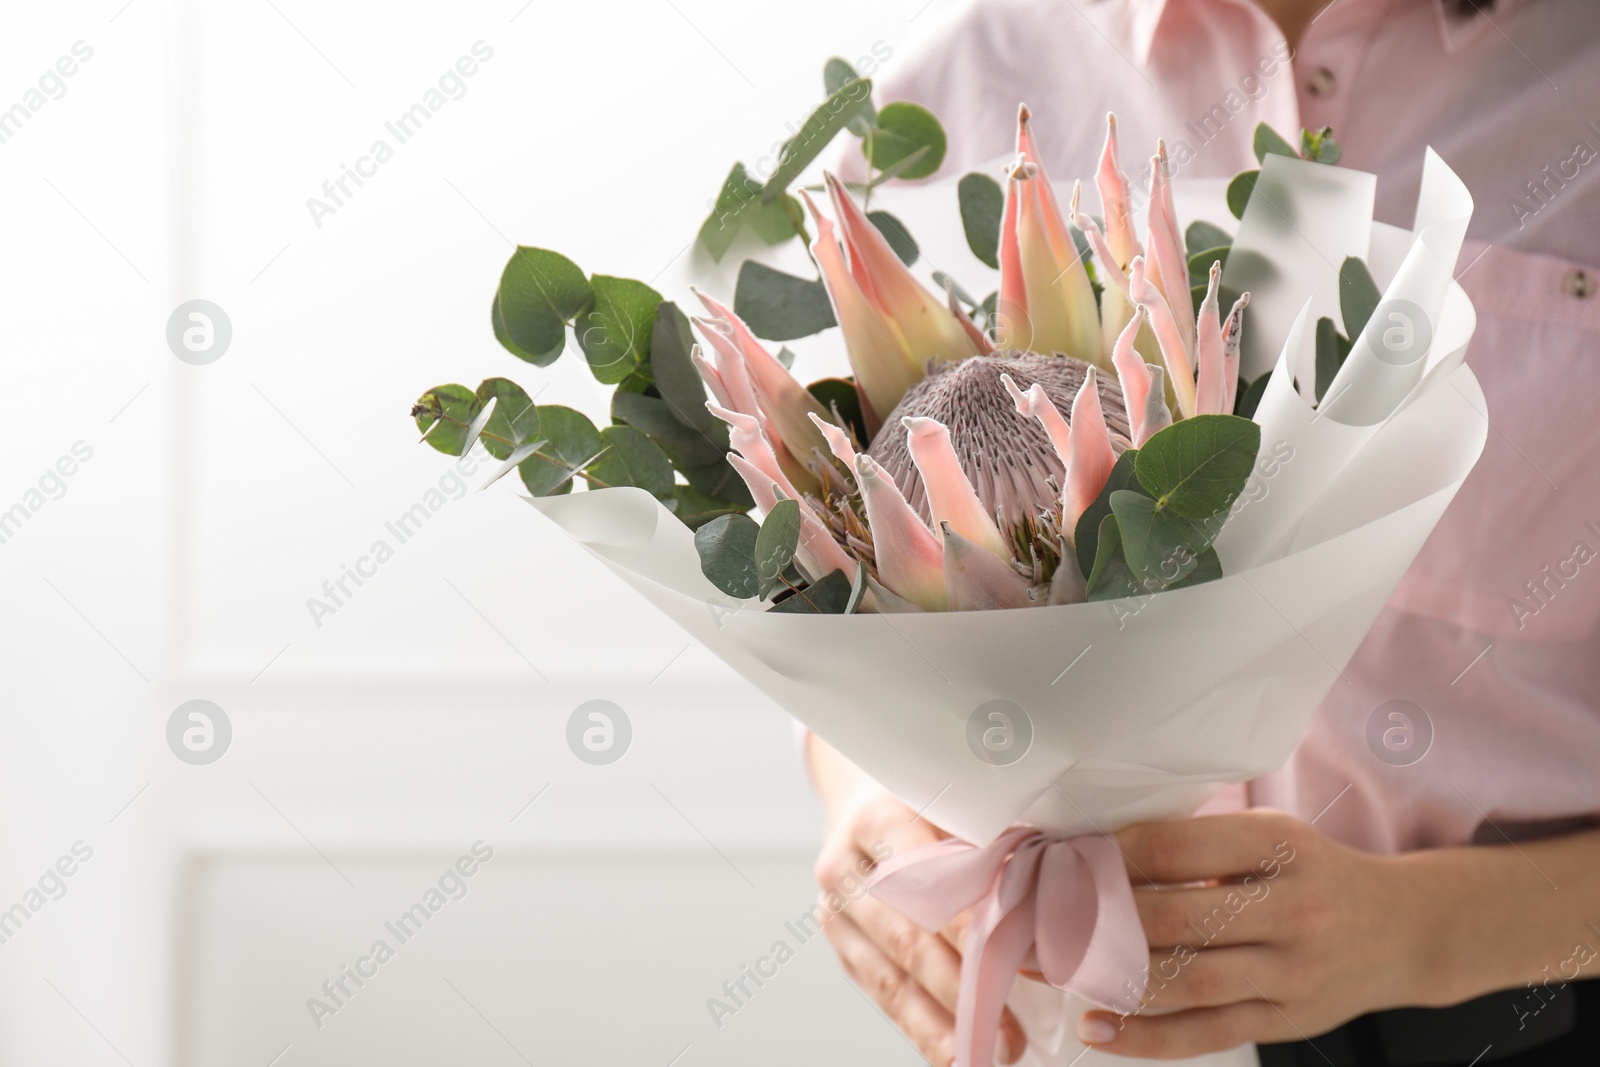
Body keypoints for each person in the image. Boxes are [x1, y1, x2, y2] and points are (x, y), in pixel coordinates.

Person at [808, 0, 1600, 1062]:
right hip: (1071, 997)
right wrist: (863, 792)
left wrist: (1423, 933)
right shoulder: (971, 83)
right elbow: (831, 559)